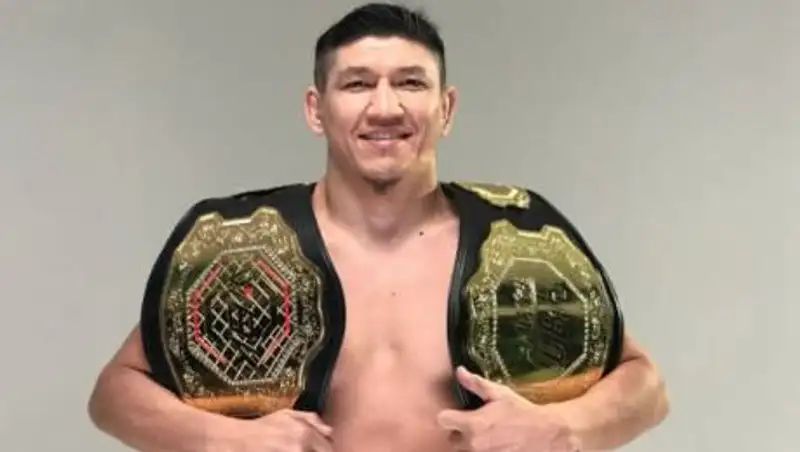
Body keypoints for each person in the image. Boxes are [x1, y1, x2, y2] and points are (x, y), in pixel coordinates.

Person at [87, 3, 669, 451]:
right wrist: (221, 439)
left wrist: (567, 429)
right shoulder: (242, 247)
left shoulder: (517, 243)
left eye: (411, 83)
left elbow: (645, 384)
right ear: (316, 109)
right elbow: (115, 392)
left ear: (446, 108)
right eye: (358, 84)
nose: (386, 108)